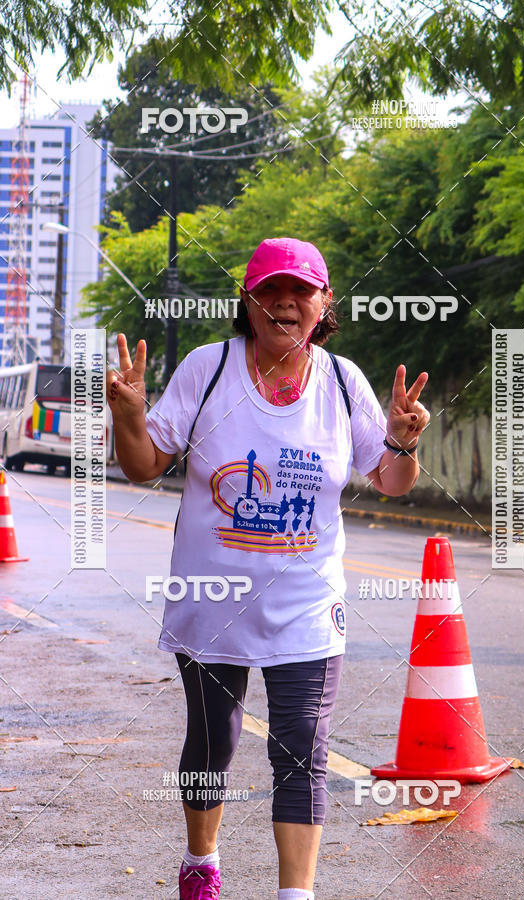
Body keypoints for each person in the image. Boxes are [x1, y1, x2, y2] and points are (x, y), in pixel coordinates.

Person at [106, 237, 430, 900]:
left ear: (323, 304)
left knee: (300, 751)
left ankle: (295, 895)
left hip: (307, 606)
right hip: (209, 602)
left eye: (301, 290)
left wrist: (402, 440)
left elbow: (392, 480)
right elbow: (143, 465)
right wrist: (128, 418)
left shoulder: (343, 384)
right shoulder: (206, 370)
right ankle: (202, 861)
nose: (286, 300)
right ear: (249, 303)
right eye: (271, 290)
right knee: (211, 741)